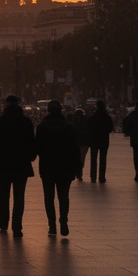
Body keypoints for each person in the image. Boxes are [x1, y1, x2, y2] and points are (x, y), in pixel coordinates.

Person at [0, 95, 36, 237]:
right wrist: (30, 157)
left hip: (3, 163)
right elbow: (32, 143)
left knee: (3, 195)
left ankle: (3, 221)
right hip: (21, 164)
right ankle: (17, 225)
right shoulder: (26, 122)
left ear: (6, 105)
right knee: (19, 196)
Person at [36, 100, 80, 237]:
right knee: (63, 196)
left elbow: (37, 147)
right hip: (65, 166)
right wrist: (77, 167)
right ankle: (63, 220)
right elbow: (75, 148)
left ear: (48, 111)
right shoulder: (69, 127)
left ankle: (52, 225)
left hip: (47, 166)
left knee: (49, 197)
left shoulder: (42, 127)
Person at [87, 101, 113, 183]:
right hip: (104, 139)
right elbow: (110, 128)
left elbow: (89, 128)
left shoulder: (93, 117)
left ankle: (93, 177)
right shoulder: (107, 117)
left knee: (93, 159)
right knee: (103, 159)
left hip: (94, 140)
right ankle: (102, 177)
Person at [71, 107, 90, 181]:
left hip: (76, 142)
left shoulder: (73, 122)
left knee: (76, 157)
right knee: (82, 158)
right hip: (85, 142)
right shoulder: (87, 120)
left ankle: (78, 172)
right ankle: (79, 173)